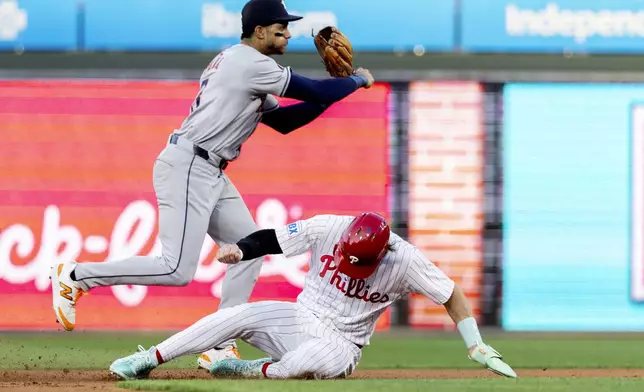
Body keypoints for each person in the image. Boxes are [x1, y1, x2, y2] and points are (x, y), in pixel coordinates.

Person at [49, 0, 375, 368]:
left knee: (250, 248)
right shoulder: (249, 63)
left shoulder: (245, 66)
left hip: (210, 170)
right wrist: (355, 81)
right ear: (259, 31)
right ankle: (77, 276)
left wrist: (336, 90)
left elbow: (286, 122)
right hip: (190, 164)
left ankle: (219, 343)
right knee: (176, 269)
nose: (287, 31)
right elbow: (313, 93)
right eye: (280, 25)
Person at [108, 212, 517, 380]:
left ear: (383, 250)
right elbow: (274, 238)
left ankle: (250, 370)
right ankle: (149, 358)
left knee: (296, 367)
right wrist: (242, 249)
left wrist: (475, 345)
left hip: (343, 344)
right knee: (234, 315)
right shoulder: (329, 227)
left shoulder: (404, 260)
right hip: (301, 317)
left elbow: (451, 294)